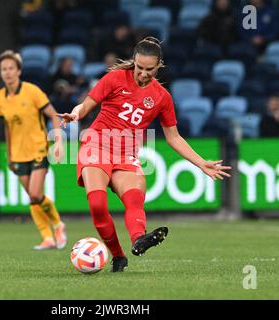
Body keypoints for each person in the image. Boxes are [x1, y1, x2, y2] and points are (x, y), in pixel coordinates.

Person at [57, 37, 231, 272]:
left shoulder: (162, 97)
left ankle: (139, 239)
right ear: (134, 62)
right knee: (98, 205)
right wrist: (76, 115)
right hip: (97, 143)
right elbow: (86, 105)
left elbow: (174, 137)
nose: (143, 73)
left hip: (126, 152)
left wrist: (201, 163)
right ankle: (118, 256)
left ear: (158, 66)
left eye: (149, 69)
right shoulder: (115, 79)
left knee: (134, 199)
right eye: (139, 67)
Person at [0, 50, 67, 250]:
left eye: (11, 68)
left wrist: (58, 142)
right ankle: (49, 236)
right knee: (34, 197)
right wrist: (9, 155)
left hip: (38, 148)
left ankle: (56, 226)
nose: (7, 72)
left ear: (18, 71)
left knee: (35, 194)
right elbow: (8, 128)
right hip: (18, 153)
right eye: (4, 69)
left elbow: (54, 115)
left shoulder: (32, 91)